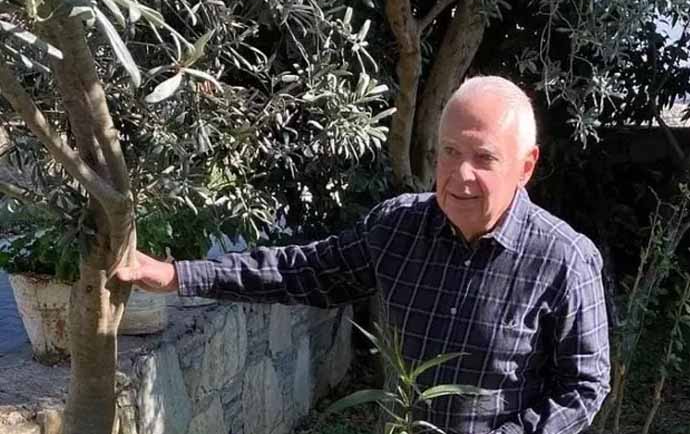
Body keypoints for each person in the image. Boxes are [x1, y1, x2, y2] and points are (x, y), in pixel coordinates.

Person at [116, 76, 610, 434]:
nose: (461, 174)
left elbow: (584, 387)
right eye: (449, 152)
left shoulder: (564, 260)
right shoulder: (398, 228)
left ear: (525, 166)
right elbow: (301, 271)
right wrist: (177, 275)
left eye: (484, 158)